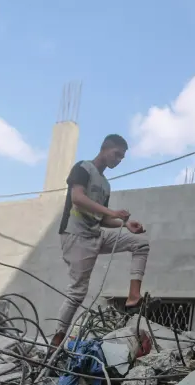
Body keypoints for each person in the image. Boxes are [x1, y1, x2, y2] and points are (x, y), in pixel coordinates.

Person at [53, 134, 149, 346]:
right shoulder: (83, 168)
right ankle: (56, 340)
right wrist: (114, 212)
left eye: (122, 157)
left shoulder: (105, 184)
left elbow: (102, 219)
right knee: (78, 292)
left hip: (96, 233)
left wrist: (125, 224)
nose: (118, 160)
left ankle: (133, 296)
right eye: (117, 154)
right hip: (76, 236)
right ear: (105, 149)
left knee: (140, 243)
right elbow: (78, 198)